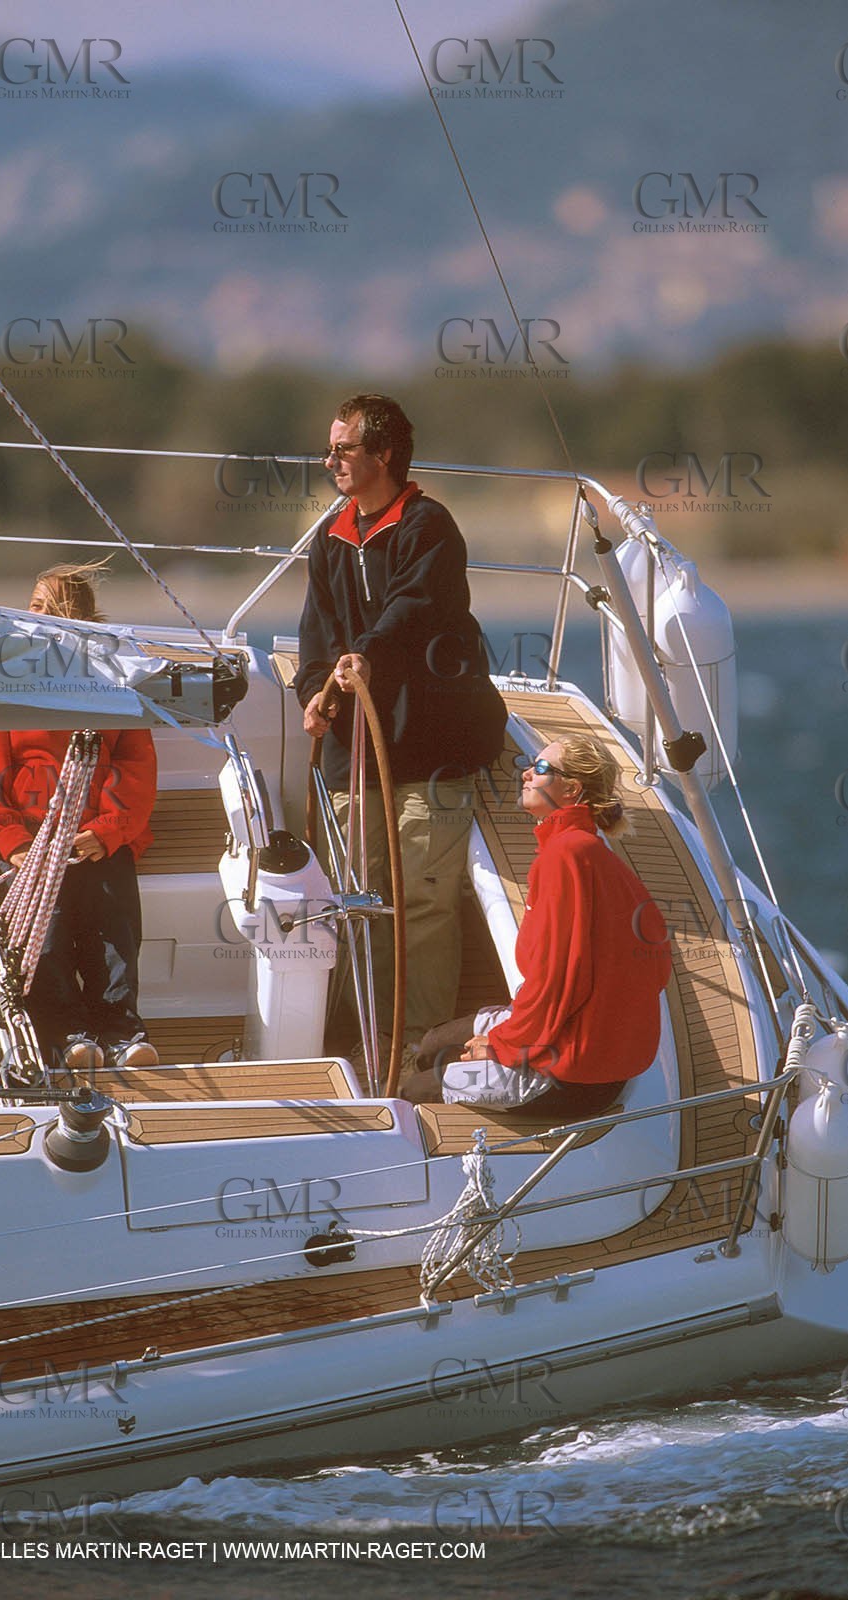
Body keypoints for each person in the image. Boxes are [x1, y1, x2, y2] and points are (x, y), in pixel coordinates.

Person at [294, 393, 506, 1051]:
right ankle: (359, 1039)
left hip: (429, 752)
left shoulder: (429, 528)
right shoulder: (330, 541)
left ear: (382, 454)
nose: (330, 460)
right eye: (330, 449)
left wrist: (363, 659)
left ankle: (413, 1047)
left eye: (343, 449)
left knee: (421, 907)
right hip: (354, 755)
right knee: (356, 905)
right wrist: (314, 689)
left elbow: (412, 612)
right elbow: (317, 635)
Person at [0, 562, 159, 1074]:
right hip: (30, 841)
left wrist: (107, 832)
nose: (38, 615)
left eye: (53, 607)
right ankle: (67, 1032)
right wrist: (14, 841)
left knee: (115, 925)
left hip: (97, 838)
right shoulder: (2, 686)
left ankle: (121, 1029)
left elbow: (137, 770)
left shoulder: (111, 685)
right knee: (47, 928)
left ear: (84, 620)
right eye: (36, 605)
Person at [404, 733, 672, 1116]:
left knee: (415, 1090)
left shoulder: (565, 855)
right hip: (588, 1048)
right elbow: (654, 965)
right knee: (434, 1044)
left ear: (572, 788)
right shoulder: (586, 850)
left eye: (542, 768)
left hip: (570, 1074)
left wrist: (499, 1046)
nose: (527, 773)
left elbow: (558, 982)